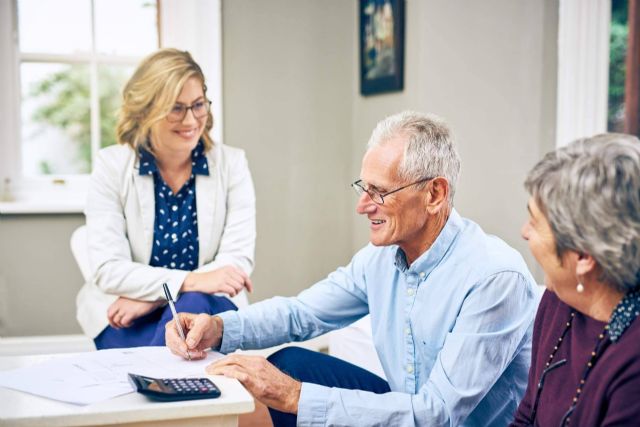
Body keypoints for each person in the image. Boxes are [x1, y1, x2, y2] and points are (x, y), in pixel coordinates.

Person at [166, 111, 538, 426]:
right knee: (289, 362)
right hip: (408, 410)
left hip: (443, 422)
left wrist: (296, 397)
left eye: (380, 192)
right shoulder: (380, 258)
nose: (362, 206)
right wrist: (218, 328)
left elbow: (437, 413)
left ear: (434, 194)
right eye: (363, 187)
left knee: (292, 387)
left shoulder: (494, 277)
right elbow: (303, 312)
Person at [76, 48, 256, 349]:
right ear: (146, 111)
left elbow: (235, 264)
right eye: (176, 108)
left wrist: (153, 297)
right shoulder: (111, 166)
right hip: (126, 313)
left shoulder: (232, 165)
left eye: (198, 105)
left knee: (195, 307)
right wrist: (187, 283)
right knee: (186, 328)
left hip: (203, 306)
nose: (191, 120)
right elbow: (108, 269)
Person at [512, 134, 640, 426]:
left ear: (583, 256)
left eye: (535, 221)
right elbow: (526, 416)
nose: (524, 231)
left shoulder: (633, 362)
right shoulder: (559, 299)